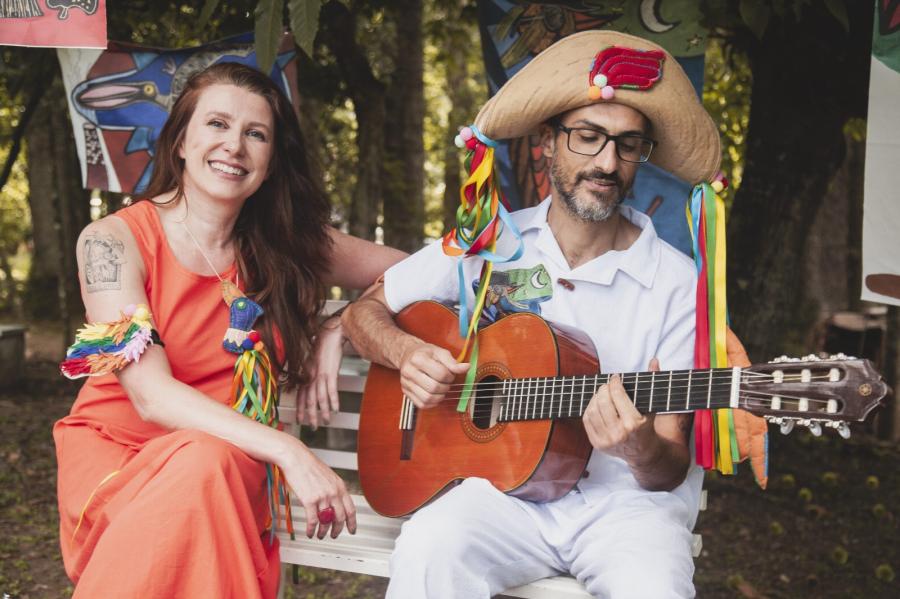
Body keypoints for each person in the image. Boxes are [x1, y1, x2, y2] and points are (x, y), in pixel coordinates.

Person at [342, 31, 763, 598]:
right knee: (430, 548)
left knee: (655, 588)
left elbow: (667, 466)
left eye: (628, 145)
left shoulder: (679, 282)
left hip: (625, 510)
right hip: (500, 496)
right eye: (588, 137)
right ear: (546, 140)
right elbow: (363, 313)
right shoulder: (489, 243)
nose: (607, 162)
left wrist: (638, 446)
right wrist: (407, 352)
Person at [54, 62, 405, 598]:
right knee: (203, 463)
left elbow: (421, 271)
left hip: (231, 462)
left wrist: (344, 323)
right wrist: (291, 452)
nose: (234, 146)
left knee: (208, 463)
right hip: (120, 462)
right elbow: (149, 395)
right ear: (181, 141)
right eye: (217, 124)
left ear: (272, 159)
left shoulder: (289, 244)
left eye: (255, 134)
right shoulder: (111, 242)